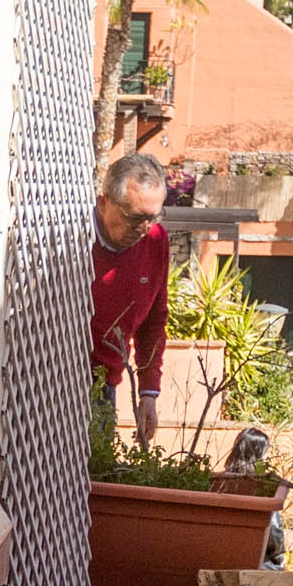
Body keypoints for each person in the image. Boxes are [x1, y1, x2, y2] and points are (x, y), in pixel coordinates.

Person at [90, 154, 171, 449]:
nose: (144, 229)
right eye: (135, 218)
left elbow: (153, 320)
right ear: (104, 203)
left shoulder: (156, 241)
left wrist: (149, 392)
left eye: (153, 218)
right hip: (51, 377)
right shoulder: (74, 241)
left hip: (104, 384)